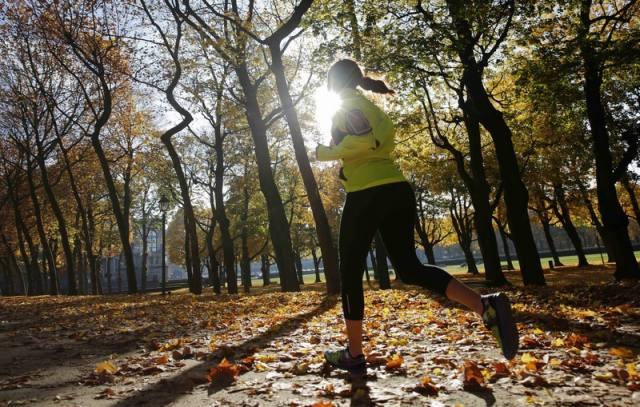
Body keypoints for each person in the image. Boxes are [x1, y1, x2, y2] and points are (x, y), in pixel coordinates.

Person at [317, 59, 519, 374]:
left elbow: (364, 139)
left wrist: (324, 152)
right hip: (397, 190)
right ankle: (485, 306)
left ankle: (353, 354)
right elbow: (374, 140)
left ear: (333, 81)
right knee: (410, 268)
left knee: (351, 269)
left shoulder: (347, 106)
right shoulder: (371, 107)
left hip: (368, 193)